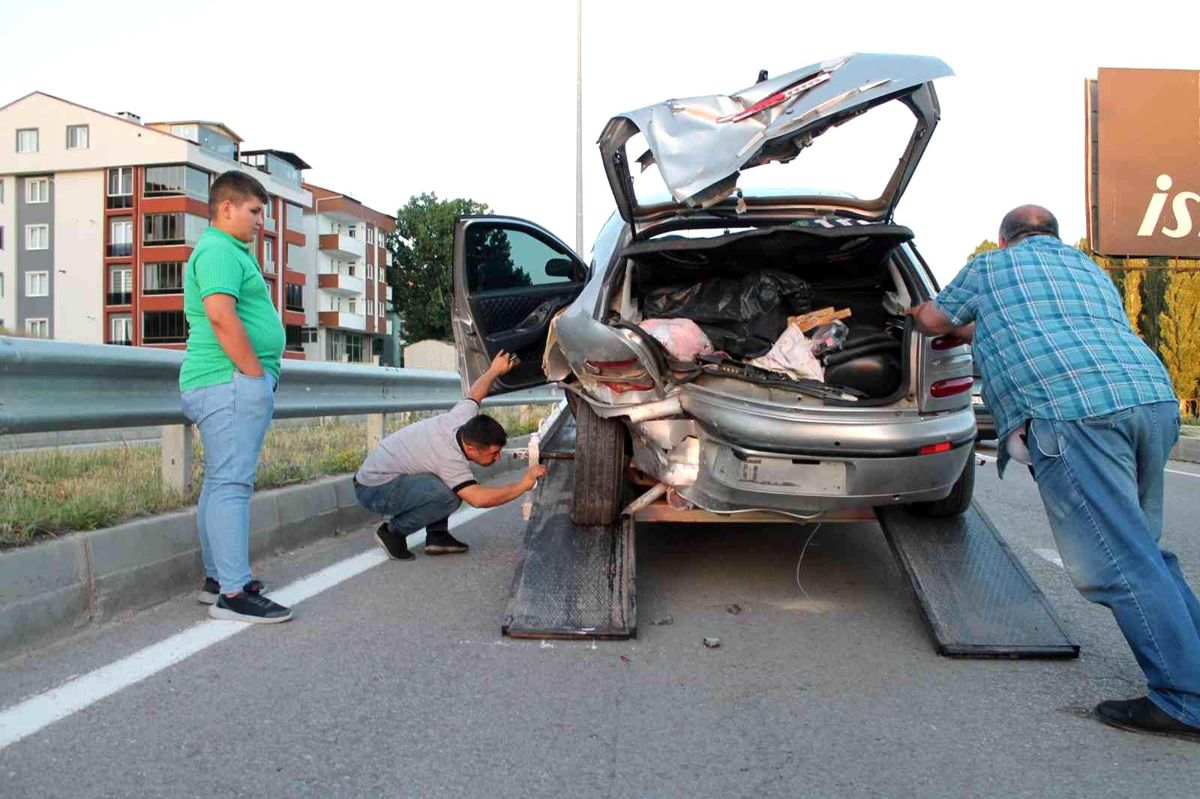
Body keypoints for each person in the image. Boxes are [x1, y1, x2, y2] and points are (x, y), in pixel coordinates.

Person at [909, 205, 1200, 741]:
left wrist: (912, 310)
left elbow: (933, 321)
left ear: (1004, 240)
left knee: (1117, 564)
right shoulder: (1088, 270)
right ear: (1055, 237)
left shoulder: (993, 268)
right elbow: (1035, 326)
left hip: (1075, 412)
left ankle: (1185, 700)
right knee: (1145, 551)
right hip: (1151, 402)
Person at [180, 170, 292, 624]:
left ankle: (217, 579)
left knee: (220, 480)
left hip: (222, 381)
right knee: (232, 483)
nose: (259, 221)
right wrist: (253, 375)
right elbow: (222, 318)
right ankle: (233, 592)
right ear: (227, 208)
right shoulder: (218, 251)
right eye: (254, 211)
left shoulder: (226, 251)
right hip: (227, 381)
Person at [355, 350, 547, 559]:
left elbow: (475, 394)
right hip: (374, 488)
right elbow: (478, 499)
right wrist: (523, 485)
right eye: (493, 454)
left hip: (381, 474)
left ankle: (437, 537)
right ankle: (392, 533)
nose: (498, 458)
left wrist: (494, 371)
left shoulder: (463, 420)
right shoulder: (449, 458)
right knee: (448, 497)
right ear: (472, 449)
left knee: (442, 483)